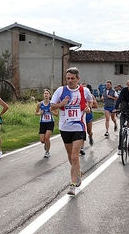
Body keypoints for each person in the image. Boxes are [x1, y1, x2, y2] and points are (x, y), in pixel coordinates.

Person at [51, 67, 93, 195]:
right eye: (68, 78)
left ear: (78, 79)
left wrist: (88, 107)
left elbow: (91, 102)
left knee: (75, 156)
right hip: (65, 127)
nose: (70, 81)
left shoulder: (84, 91)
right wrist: (62, 103)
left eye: (72, 78)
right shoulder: (61, 90)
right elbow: (52, 106)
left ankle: (72, 185)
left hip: (79, 126)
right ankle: (78, 172)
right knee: (70, 156)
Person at [35, 89, 58, 158]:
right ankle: (45, 143)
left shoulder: (52, 104)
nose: (46, 95)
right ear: (43, 95)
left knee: (47, 138)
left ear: (50, 95)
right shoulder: (40, 104)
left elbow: (57, 114)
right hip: (42, 123)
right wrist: (40, 114)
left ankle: (47, 152)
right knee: (42, 140)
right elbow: (36, 112)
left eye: (47, 93)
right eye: (45, 93)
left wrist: (52, 112)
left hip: (50, 122)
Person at [80, 82, 98, 154]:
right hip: (81, 115)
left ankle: (90, 137)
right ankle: (82, 148)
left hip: (88, 114)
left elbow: (96, 105)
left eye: (85, 87)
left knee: (89, 131)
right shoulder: (77, 95)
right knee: (82, 131)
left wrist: (89, 107)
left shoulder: (91, 96)